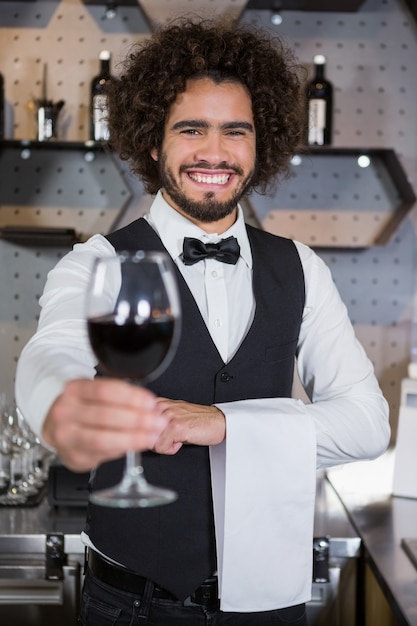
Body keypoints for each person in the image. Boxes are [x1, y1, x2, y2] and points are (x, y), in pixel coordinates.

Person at [15, 18, 390, 626]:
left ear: (258, 144)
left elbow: (368, 424)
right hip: (131, 607)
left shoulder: (301, 268)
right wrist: (63, 405)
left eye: (234, 132)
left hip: (270, 606)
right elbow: (52, 352)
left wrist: (222, 424)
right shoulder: (97, 263)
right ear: (154, 143)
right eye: (192, 129)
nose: (214, 153)